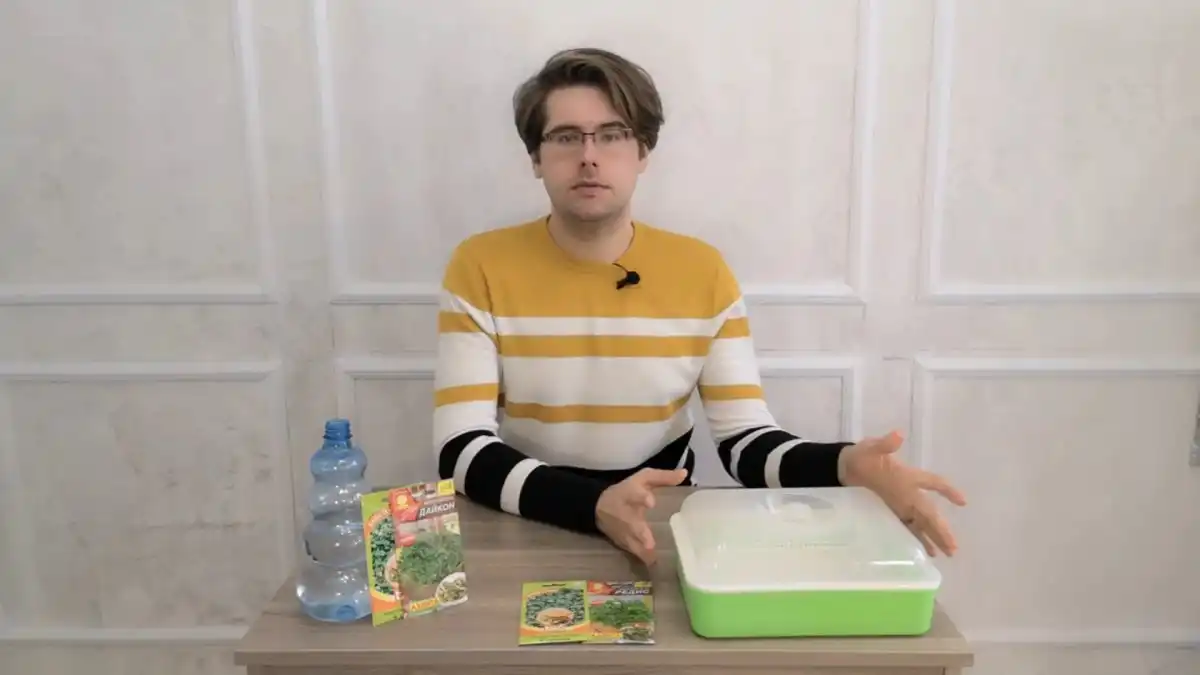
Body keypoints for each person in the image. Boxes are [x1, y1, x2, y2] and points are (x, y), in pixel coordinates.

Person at [433, 47, 966, 565]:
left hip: (658, 524)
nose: (589, 155)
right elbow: (460, 449)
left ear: (643, 153)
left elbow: (745, 442)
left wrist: (844, 464)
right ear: (536, 158)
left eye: (613, 135)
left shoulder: (701, 270)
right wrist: (592, 505)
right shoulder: (481, 265)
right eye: (567, 137)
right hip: (529, 519)